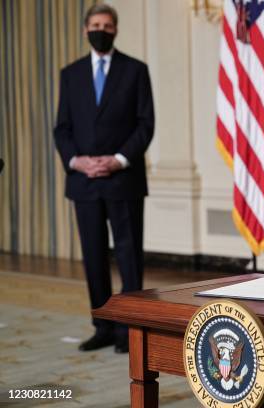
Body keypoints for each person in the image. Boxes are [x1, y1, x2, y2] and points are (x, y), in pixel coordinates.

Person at [53, 4, 154, 353]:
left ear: (116, 30)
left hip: (123, 179)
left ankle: (131, 329)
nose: (101, 29)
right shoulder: (70, 74)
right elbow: (62, 128)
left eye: (107, 25)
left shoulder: (136, 70)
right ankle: (103, 326)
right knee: (93, 256)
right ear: (85, 30)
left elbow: (145, 124)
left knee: (128, 257)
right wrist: (78, 161)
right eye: (95, 25)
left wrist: (117, 159)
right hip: (84, 182)